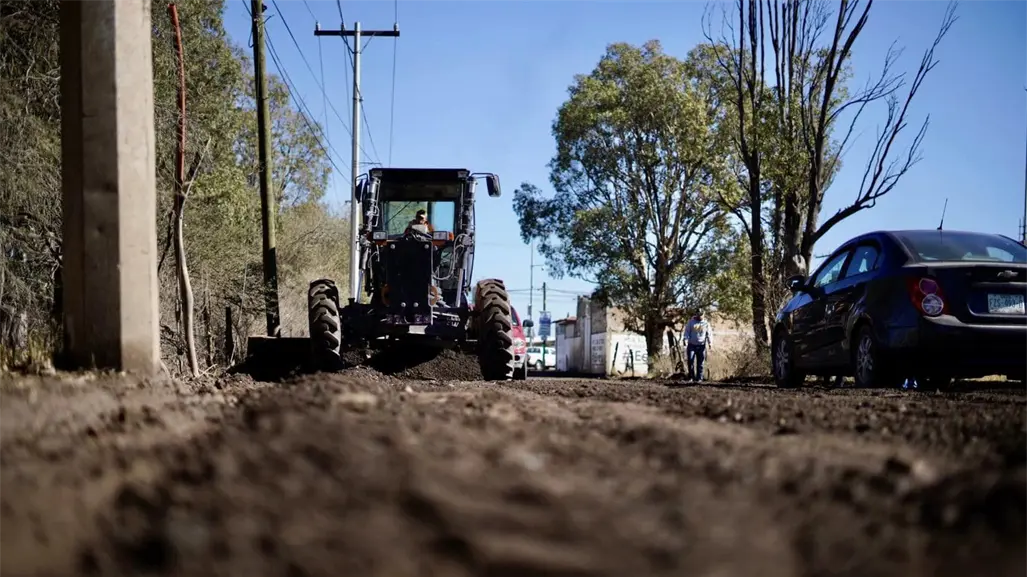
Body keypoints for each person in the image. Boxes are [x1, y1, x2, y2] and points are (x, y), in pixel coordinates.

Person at [684, 308, 713, 382]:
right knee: (690, 361)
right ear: (696, 314)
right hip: (691, 345)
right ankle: (691, 377)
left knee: (700, 363)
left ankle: (699, 378)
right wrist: (685, 339)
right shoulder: (691, 322)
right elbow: (687, 331)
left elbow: (709, 334)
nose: (699, 316)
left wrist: (710, 343)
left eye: (701, 315)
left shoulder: (706, 323)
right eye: (698, 315)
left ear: (704, 314)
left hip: (701, 345)